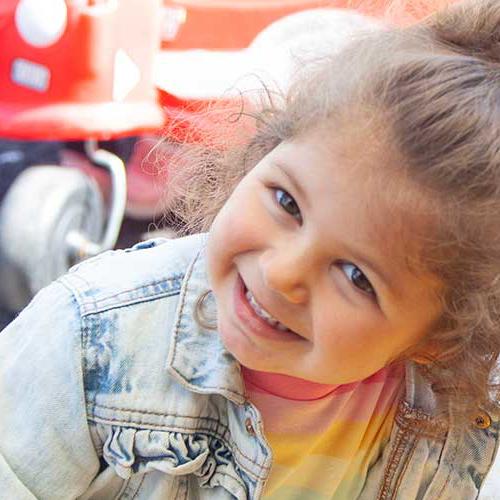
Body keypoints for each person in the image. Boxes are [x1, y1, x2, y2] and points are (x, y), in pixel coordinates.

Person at [1, 0, 499, 498]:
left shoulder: (448, 427)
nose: (283, 272)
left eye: (355, 276)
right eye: (287, 203)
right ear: (262, 152)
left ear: (438, 340)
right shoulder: (92, 337)